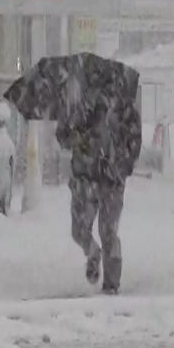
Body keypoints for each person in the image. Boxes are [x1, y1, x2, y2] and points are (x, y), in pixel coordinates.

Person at [55, 65, 142, 295]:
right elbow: (63, 136)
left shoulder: (104, 105)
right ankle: (102, 268)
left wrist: (123, 162)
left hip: (98, 177)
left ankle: (101, 266)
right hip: (99, 178)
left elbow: (62, 136)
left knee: (94, 230)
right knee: (95, 230)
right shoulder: (112, 107)